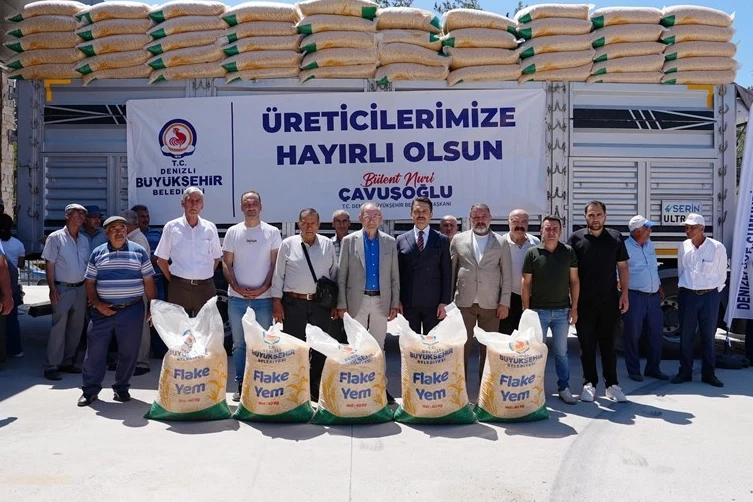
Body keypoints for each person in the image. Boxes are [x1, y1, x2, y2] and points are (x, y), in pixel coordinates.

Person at [77, 216, 156, 406]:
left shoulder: (139, 252)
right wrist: (97, 304)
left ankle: (121, 388)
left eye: (122, 228)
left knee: (129, 352)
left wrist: (153, 307)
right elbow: (90, 282)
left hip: (132, 310)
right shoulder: (97, 253)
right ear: (106, 233)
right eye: (114, 229)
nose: (119, 232)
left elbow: (148, 281)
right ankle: (90, 390)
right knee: (95, 352)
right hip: (102, 311)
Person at [271, 208, 337, 401]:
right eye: (305, 223)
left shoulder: (327, 245)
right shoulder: (288, 244)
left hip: (320, 304)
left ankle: (314, 385)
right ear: (299, 223)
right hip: (293, 303)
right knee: (295, 346)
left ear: (319, 224)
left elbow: (334, 274)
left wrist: (336, 303)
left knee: (319, 346)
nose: (309, 227)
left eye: (313, 223)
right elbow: (279, 274)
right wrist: (277, 302)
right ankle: (295, 385)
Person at [567, 201, 630, 403]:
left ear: (605, 216)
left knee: (609, 346)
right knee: (587, 346)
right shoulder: (576, 239)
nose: (595, 219)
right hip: (584, 302)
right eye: (591, 215)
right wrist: (573, 304)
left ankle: (612, 385)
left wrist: (625, 294)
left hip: (609, 301)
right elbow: (571, 274)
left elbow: (623, 267)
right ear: (585, 216)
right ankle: (589, 384)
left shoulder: (615, 237)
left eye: (599, 215)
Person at [337, 202, 399, 403]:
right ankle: (356, 388)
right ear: (360, 218)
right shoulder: (349, 241)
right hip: (357, 301)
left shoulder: (390, 242)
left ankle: (380, 387)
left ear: (381, 218)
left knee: (378, 347)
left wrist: (394, 303)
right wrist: (341, 304)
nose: (371, 220)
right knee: (356, 346)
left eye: (375, 216)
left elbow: (394, 276)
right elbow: (342, 276)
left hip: (381, 300)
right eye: (367, 216)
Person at [222, 191, 281, 402]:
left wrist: (264, 287)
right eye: (247, 204)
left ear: (261, 206)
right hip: (237, 299)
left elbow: (275, 264)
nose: (251, 207)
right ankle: (241, 384)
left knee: (262, 343)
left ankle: (260, 384)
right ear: (241, 208)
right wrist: (236, 287)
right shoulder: (233, 232)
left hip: (264, 299)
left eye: (254, 203)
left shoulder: (272, 232)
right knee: (239, 344)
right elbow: (226, 263)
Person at [450, 203, 512, 381]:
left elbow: (507, 275)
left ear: (490, 218)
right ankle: (459, 389)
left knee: (488, 349)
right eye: (476, 217)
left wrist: (504, 303)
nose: (480, 220)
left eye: (483, 216)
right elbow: (452, 273)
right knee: (461, 347)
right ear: (470, 219)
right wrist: (449, 304)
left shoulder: (501, 242)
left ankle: (485, 389)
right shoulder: (458, 240)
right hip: (464, 303)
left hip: (491, 304)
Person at [521, 215, 580, 404]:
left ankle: (564, 388)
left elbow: (574, 281)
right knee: (536, 353)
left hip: (562, 312)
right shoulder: (532, 253)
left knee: (561, 353)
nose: (551, 232)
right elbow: (526, 283)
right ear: (541, 231)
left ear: (560, 232)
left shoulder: (568, 252)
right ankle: (534, 390)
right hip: (538, 312)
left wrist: (574, 308)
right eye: (547, 228)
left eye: (555, 229)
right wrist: (526, 310)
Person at [671, 213, 727, 387]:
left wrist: (712, 292)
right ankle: (685, 371)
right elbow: (681, 270)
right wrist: (687, 288)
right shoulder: (684, 246)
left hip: (709, 296)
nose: (688, 230)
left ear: (702, 228)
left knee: (708, 336)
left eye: (692, 227)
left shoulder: (717, 247)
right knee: (686, 335)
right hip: (688, 295)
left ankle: (708, 374)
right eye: (686, 227)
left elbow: (722, 274)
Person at [155, 187, 222, 317]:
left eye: (198, 201)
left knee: (206, 326)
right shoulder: (171, 227)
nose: (193, 204)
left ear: (202, 205)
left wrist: (204, 275)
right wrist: (174, 281)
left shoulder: (210, 228)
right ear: (182, 203)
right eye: (190, 200)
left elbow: (216, 258)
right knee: (178, 327)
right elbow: (161, 260)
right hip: (179, 288)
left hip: (205, 288)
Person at [41, 203, 90, 380]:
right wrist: (52, 288)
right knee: (58, 328)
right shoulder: (55, 237)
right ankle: (52, 365)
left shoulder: (84, 240)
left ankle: (67, 361)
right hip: (62, 288)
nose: (81, 217)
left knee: (76, 328)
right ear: (67, 216)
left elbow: (87, 265)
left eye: (83, 214)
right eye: (77, 213)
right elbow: (50, 264)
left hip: (80, 288)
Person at [622, 215, 670, 382]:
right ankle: (634, 370)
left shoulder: (650, 244)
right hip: (635, 297)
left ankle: (653, 368)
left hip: (653, 297)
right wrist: (623, 294)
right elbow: (618, 272)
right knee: (632, 335)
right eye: (646, 227)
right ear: (637, 231)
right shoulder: (624, 247)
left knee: (656, 333)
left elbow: (653, 267)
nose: (650, 230)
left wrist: (659, 285)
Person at [396, 197, 451, 334]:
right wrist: (397, 300)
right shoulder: (401, 240)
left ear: (431, 214)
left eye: (425, 211)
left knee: (433, 344)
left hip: (434, 305)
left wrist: (444, 303)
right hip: (408, 304)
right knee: (410, 343)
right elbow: (396, 274)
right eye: (417, 211)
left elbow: (446, 274)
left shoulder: (442, 240)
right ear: (411, 214)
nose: (421, 215)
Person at [121, 209, 153, 376]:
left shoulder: (138, 240)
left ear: (128, 225)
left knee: (141, 327)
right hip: (131, 289)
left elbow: (138, 268)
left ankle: (141, 362)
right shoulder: (132, 238)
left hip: (138, 289)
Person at [500, 209, 540, 335]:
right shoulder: (500, 243)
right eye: (515, 221)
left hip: (530, 298)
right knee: (506, 337)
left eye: (523, 222)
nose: (520, 225)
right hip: (507, 298)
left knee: (527, 336)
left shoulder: (536, 243)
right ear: (509, 223)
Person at [0, 214, 25, 358]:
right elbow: (21, 264)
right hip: (12, 286)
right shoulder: (18, 244)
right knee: (12, 319)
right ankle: (15, 350)